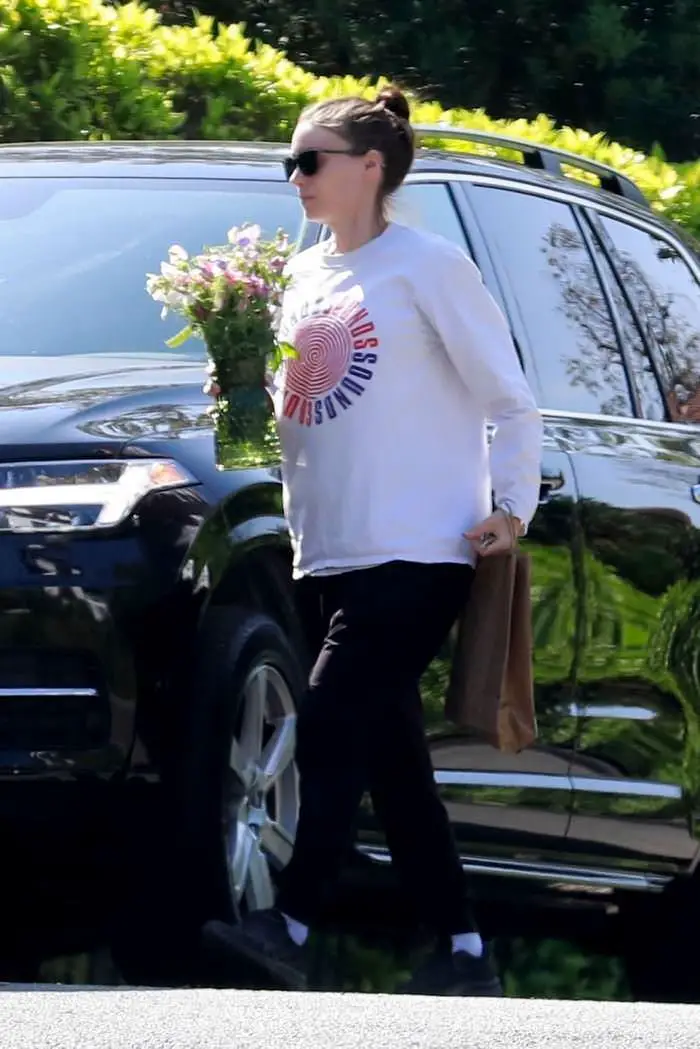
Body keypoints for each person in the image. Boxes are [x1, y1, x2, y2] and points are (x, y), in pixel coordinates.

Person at [203, 85, 543, 996]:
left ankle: (294, 919)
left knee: (330, 720)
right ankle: (465, 949)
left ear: (370, 168)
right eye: (290, 162)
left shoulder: (428, 266)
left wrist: (511, 505)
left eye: (309, 160)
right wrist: (236, 388)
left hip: (421, 546)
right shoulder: (304, 276)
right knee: (392, 762)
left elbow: (509, 395)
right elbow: (282, 425)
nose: (296, 177)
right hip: (328, 549)